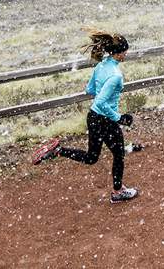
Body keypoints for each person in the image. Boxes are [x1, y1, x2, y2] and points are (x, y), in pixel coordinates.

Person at [31, 30, 138, 203]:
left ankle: (59, 150)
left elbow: (90, 90)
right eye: (124, 51)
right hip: (106, 120)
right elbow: (101, 103)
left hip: (93, 118)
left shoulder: (101, 65)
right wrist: (119, 118)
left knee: (91, 157)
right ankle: (118, 192)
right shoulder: (116, 76)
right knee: (118, 155)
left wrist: (104, 94)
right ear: (118, 53)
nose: (126, 54)